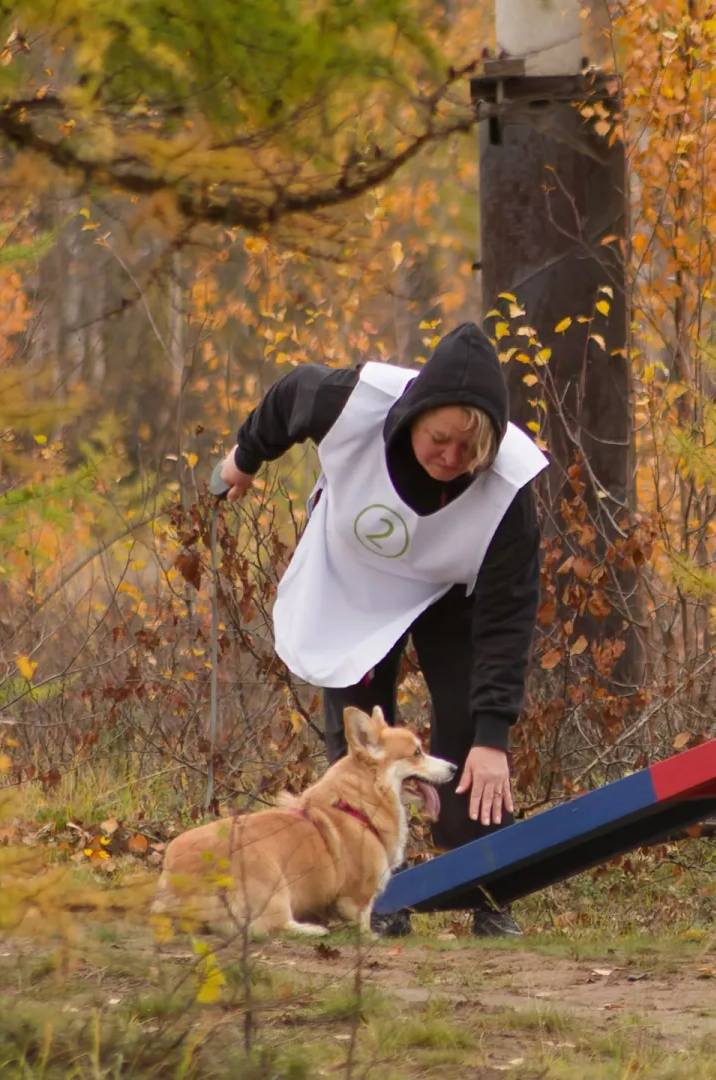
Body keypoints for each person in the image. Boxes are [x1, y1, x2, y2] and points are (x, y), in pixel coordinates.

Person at [216, 322, 546, 937]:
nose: (451, 459)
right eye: (439, 439)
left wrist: (494, 736)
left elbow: (509, 617)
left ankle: (486, 888)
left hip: (450, 590)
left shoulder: (510, 489)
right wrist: (245, 458)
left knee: (470, 730)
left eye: (469, 449)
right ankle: (365, 892)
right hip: (356, 577)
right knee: (363, 740)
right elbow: (289, 394)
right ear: (416, 415)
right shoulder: (352, 402)